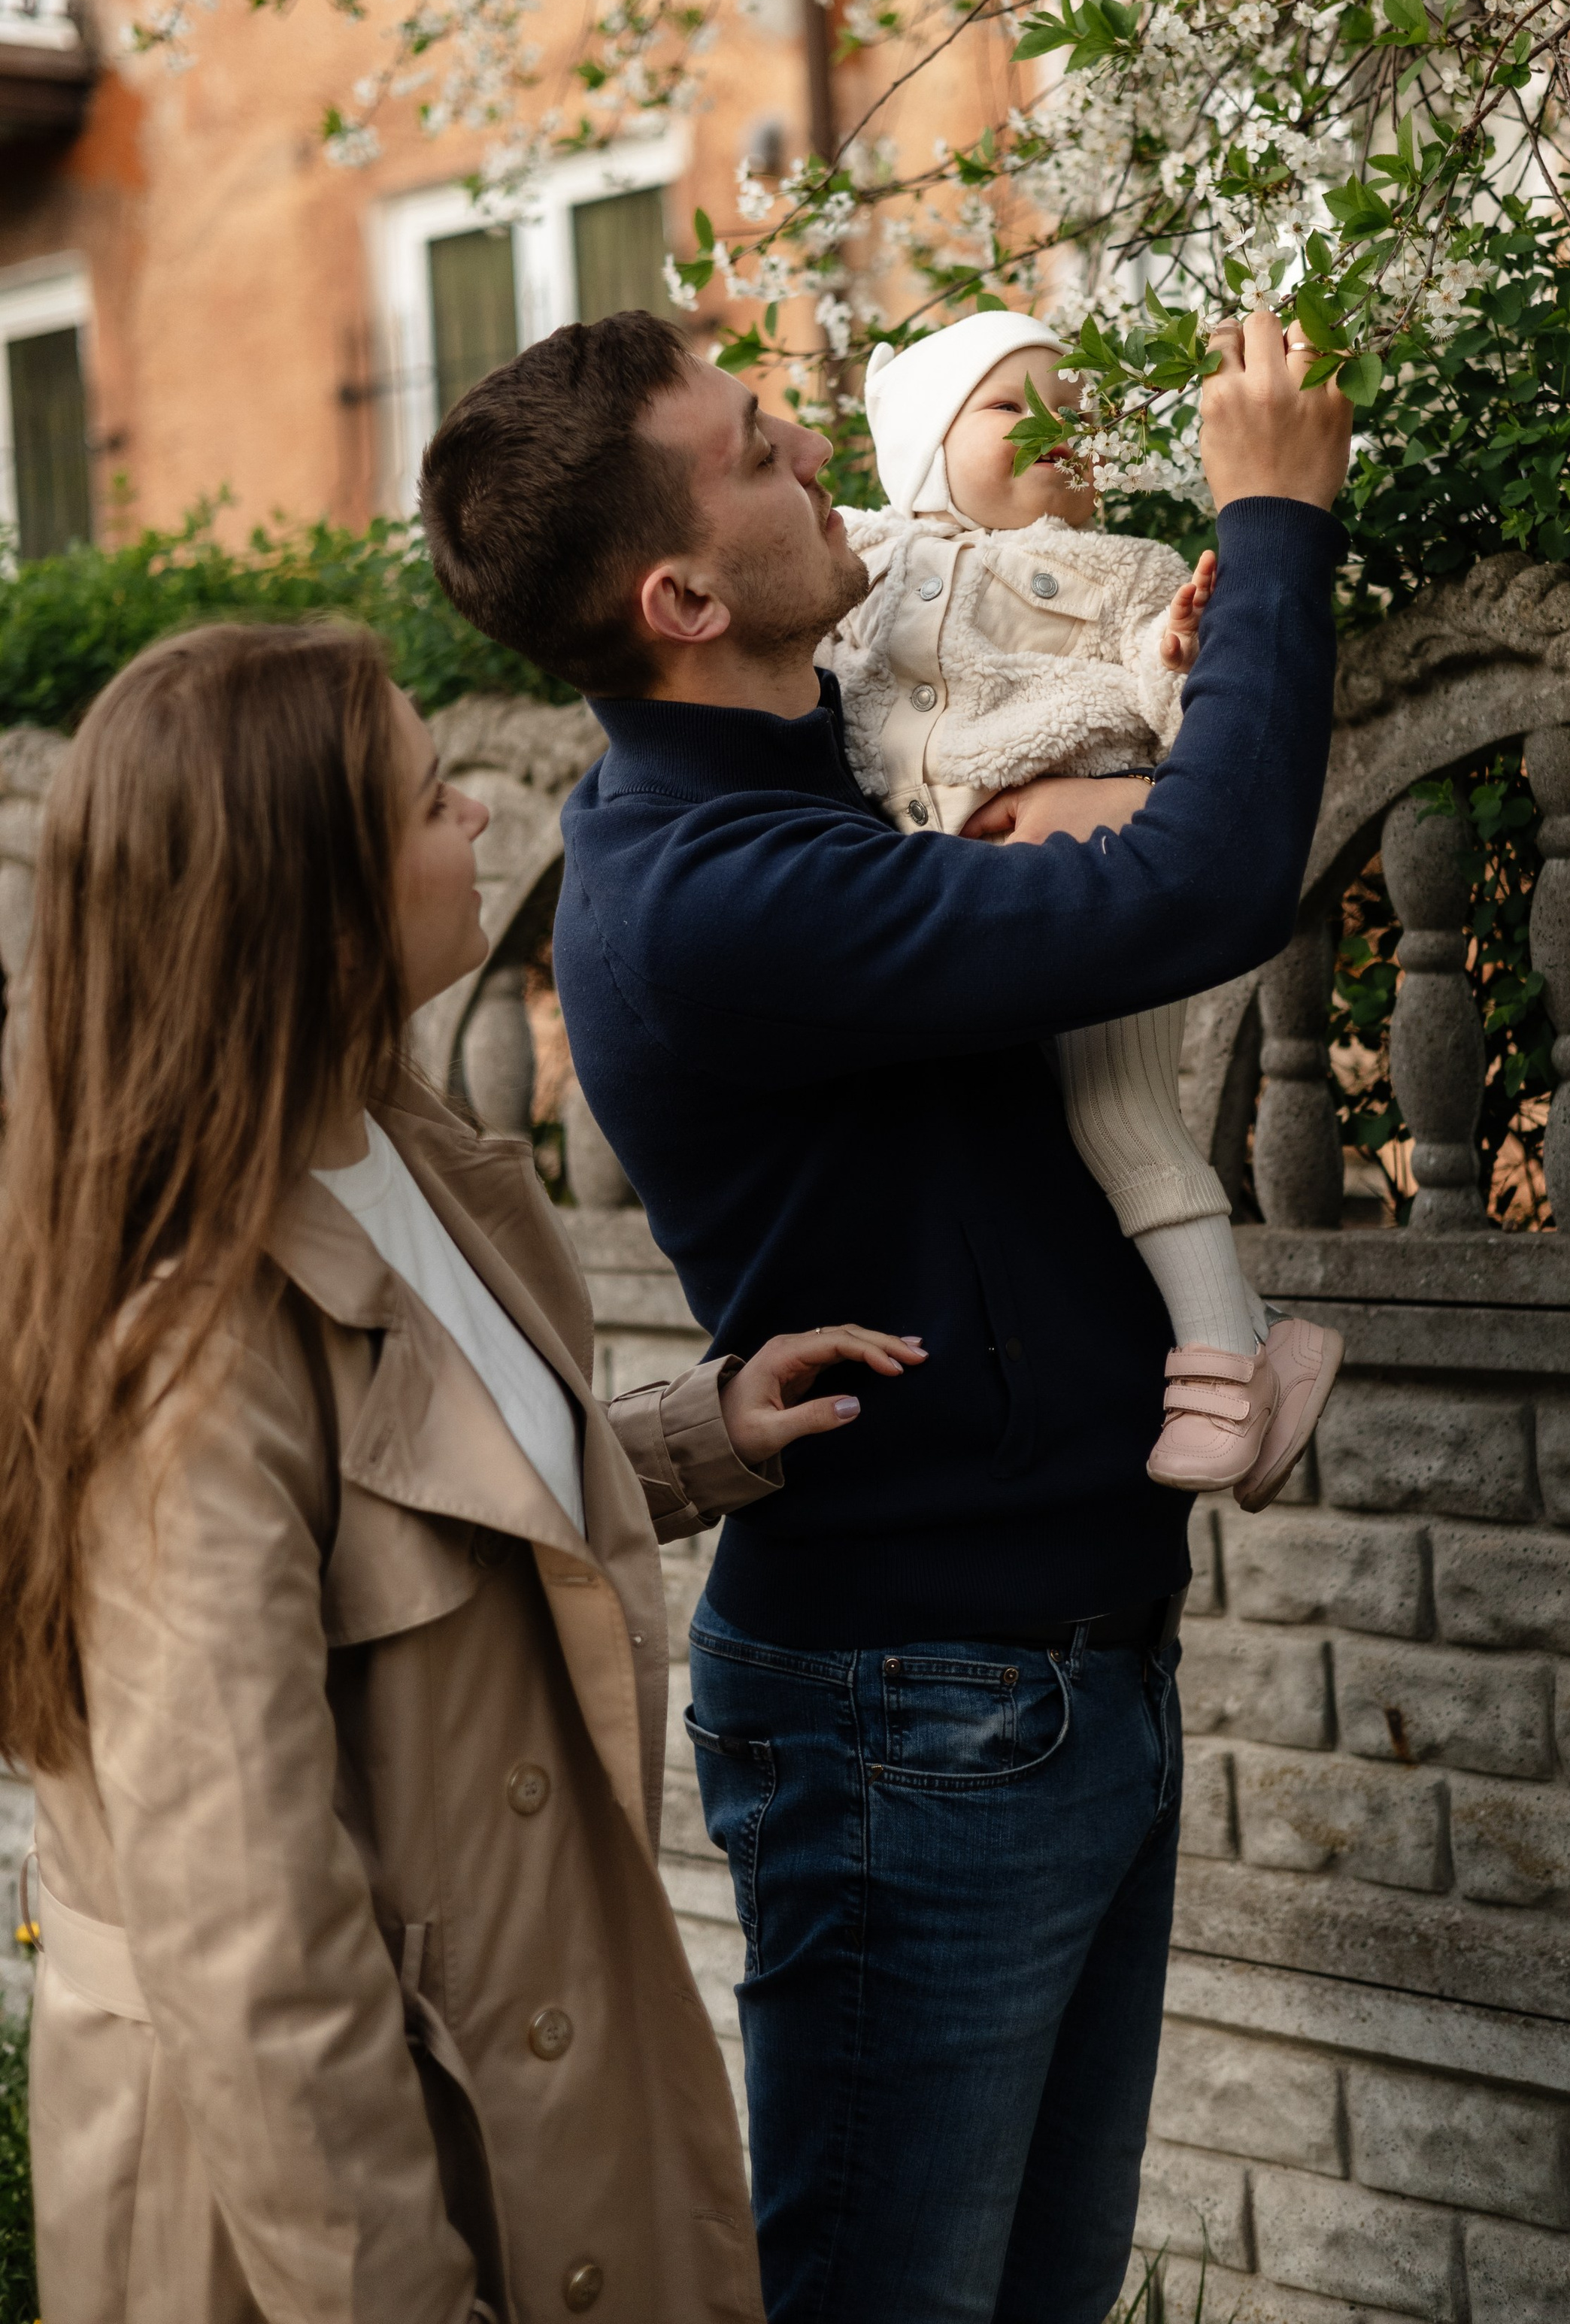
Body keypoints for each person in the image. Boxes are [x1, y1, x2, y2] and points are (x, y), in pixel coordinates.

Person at [417, 301, 1349, 2324]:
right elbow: (1205, 887)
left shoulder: (823, 771)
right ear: (678, 595)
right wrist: (1276, 527)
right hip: (918, 1714)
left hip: (1053, 1669)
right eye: (756, 454)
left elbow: (1102, 797)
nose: (811, 465)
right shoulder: (717, 887)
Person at [0, 617, 918, 2324]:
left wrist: (688, 1440)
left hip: (524, 2088)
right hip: (328, 2207)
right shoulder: (194, 1359)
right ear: (315, 897)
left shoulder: (395, 1143)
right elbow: (252, 1953)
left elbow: (434, 1510)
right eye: (428, 801)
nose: (481, 823)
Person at [829, 307, 1343, 1498]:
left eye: (1075, 408)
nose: (1056, 428)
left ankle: (1221, 1363)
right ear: (920, 444)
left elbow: (1188, 719)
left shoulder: (1130, 568)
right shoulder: (861, 556)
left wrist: (1177, 650)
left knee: (1124, 1115)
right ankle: (1260, 1339)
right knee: (1027, 1151)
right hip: (943, 894)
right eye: (1013, 406)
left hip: (1091, 881)